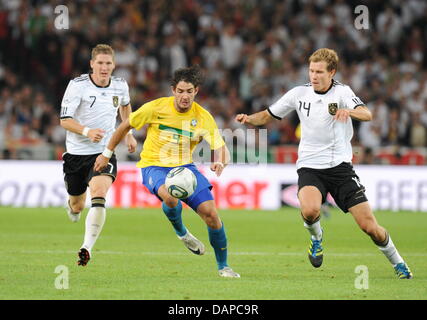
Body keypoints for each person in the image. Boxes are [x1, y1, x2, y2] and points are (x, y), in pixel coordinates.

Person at [235, 48, 412, 279]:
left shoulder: (343, 92)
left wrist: (348, 111)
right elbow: (267, 115)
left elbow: (367, 114)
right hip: (310, 166)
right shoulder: (299, 94)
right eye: (311, 71)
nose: (314, 76)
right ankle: (317, 239)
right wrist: (248, 118)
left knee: (370, 227)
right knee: (309, 210)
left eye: (319, 72)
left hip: (340, 169)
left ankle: (398, 263)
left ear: (332, 72)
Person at [94, 65, 240, 278]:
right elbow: (125, 125)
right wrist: (106, 154)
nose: (184, 96)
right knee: (171, 197)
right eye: (180, 91)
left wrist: (220, 162)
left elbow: (221, 149)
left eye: (189, 91)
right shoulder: (156, 108)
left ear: (196, 91)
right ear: (173, 90)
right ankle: (182, 232)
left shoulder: (203, 117)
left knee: (211, 215)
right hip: (154, 165)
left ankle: (223, 267)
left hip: (185, 169)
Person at [60, 44, 137, 266]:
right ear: (92, 64)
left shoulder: (121, 85)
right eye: (100, 63)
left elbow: (125, 107)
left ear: (114, 65)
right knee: (77, 205)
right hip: (76, 154)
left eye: (108, 63)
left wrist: (128, 133)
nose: (104, 67)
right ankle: (72, 206)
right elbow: (64, 120)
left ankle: (86, 248)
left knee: (99, 192)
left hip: (104, 151)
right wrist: (86, 131)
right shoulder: (77, 86)